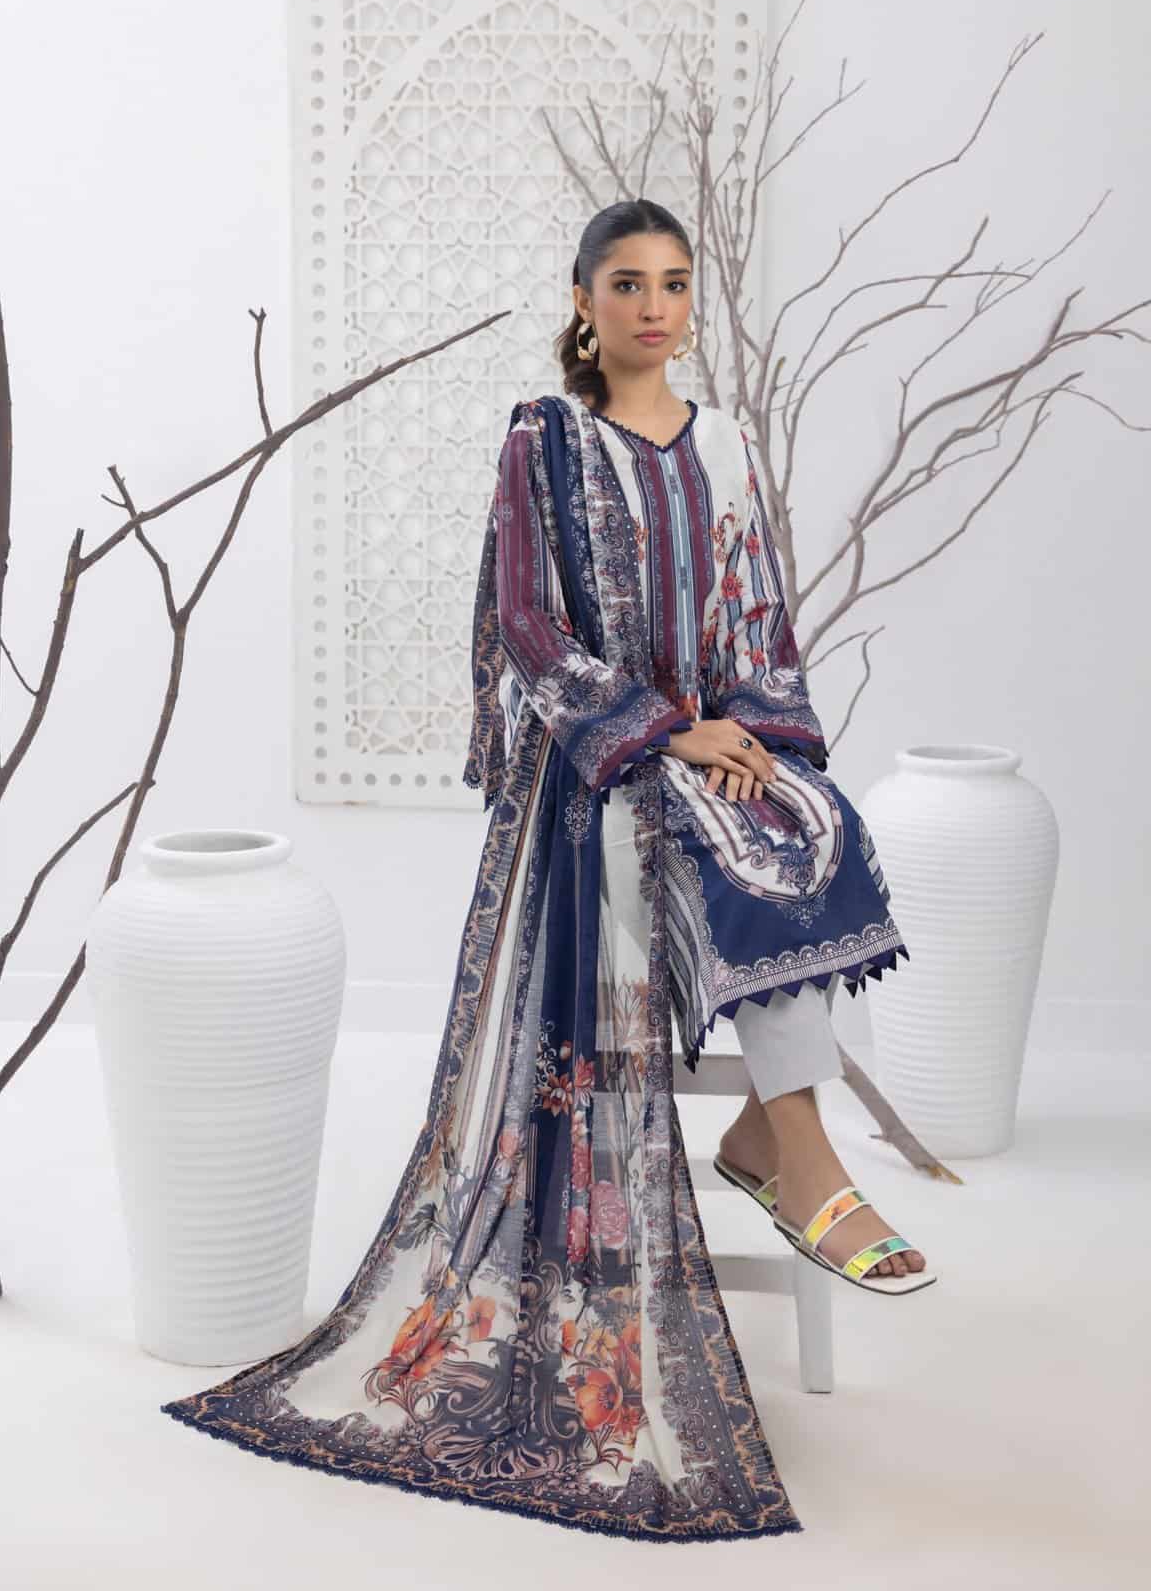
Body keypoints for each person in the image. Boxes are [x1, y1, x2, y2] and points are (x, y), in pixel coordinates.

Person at [161, 200, 927, 1543]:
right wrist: (665, 731)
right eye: (626, 283)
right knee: (707, 845)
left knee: (811, 826)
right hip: (597, 766)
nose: (654, 307)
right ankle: (802, 1157)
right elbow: (527, 623)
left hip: (712, 742)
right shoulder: (546, 440)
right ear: (583, 300)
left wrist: (749, 736)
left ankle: (777, 1135)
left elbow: (759, 618)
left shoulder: (729, 448)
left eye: (673, 284)